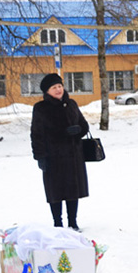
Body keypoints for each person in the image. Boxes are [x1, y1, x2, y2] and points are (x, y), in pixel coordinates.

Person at [30, 73, 88, 231]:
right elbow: (37, 134)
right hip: (53, 157)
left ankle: (73, 222)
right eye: (54, 87)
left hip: (73, 156)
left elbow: (84, 125)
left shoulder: (71, 104)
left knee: (73, 190)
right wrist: (40, 157)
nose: (58, 90)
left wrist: (78, 130)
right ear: (47, 91)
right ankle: (57, 223)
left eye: (60, 86)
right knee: (55, 191)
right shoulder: (41, 108)